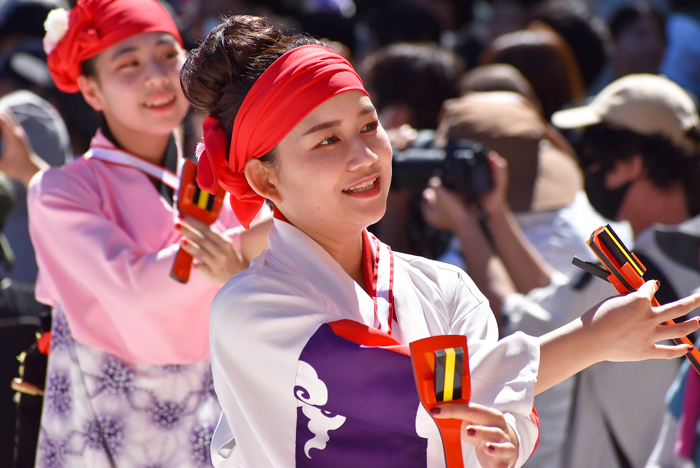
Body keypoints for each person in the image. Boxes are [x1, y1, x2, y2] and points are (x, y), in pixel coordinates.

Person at [179, 15, 700, 468]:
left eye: (369, 125)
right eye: (327, 140)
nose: (365, 155)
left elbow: (504, 409)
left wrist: (503, 443)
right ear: (265, 179)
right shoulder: (249, 309)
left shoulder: (444, 286)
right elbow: (405, 386)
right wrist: (592, 338)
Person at [28, 1, 272, 466]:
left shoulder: (213, 177)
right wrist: (241, 250)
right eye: (129, 64)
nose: (157, 76)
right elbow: (136, 290)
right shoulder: (60, 191)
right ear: (90, 89)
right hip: (106, 415)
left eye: (167, 54)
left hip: (214, 405)